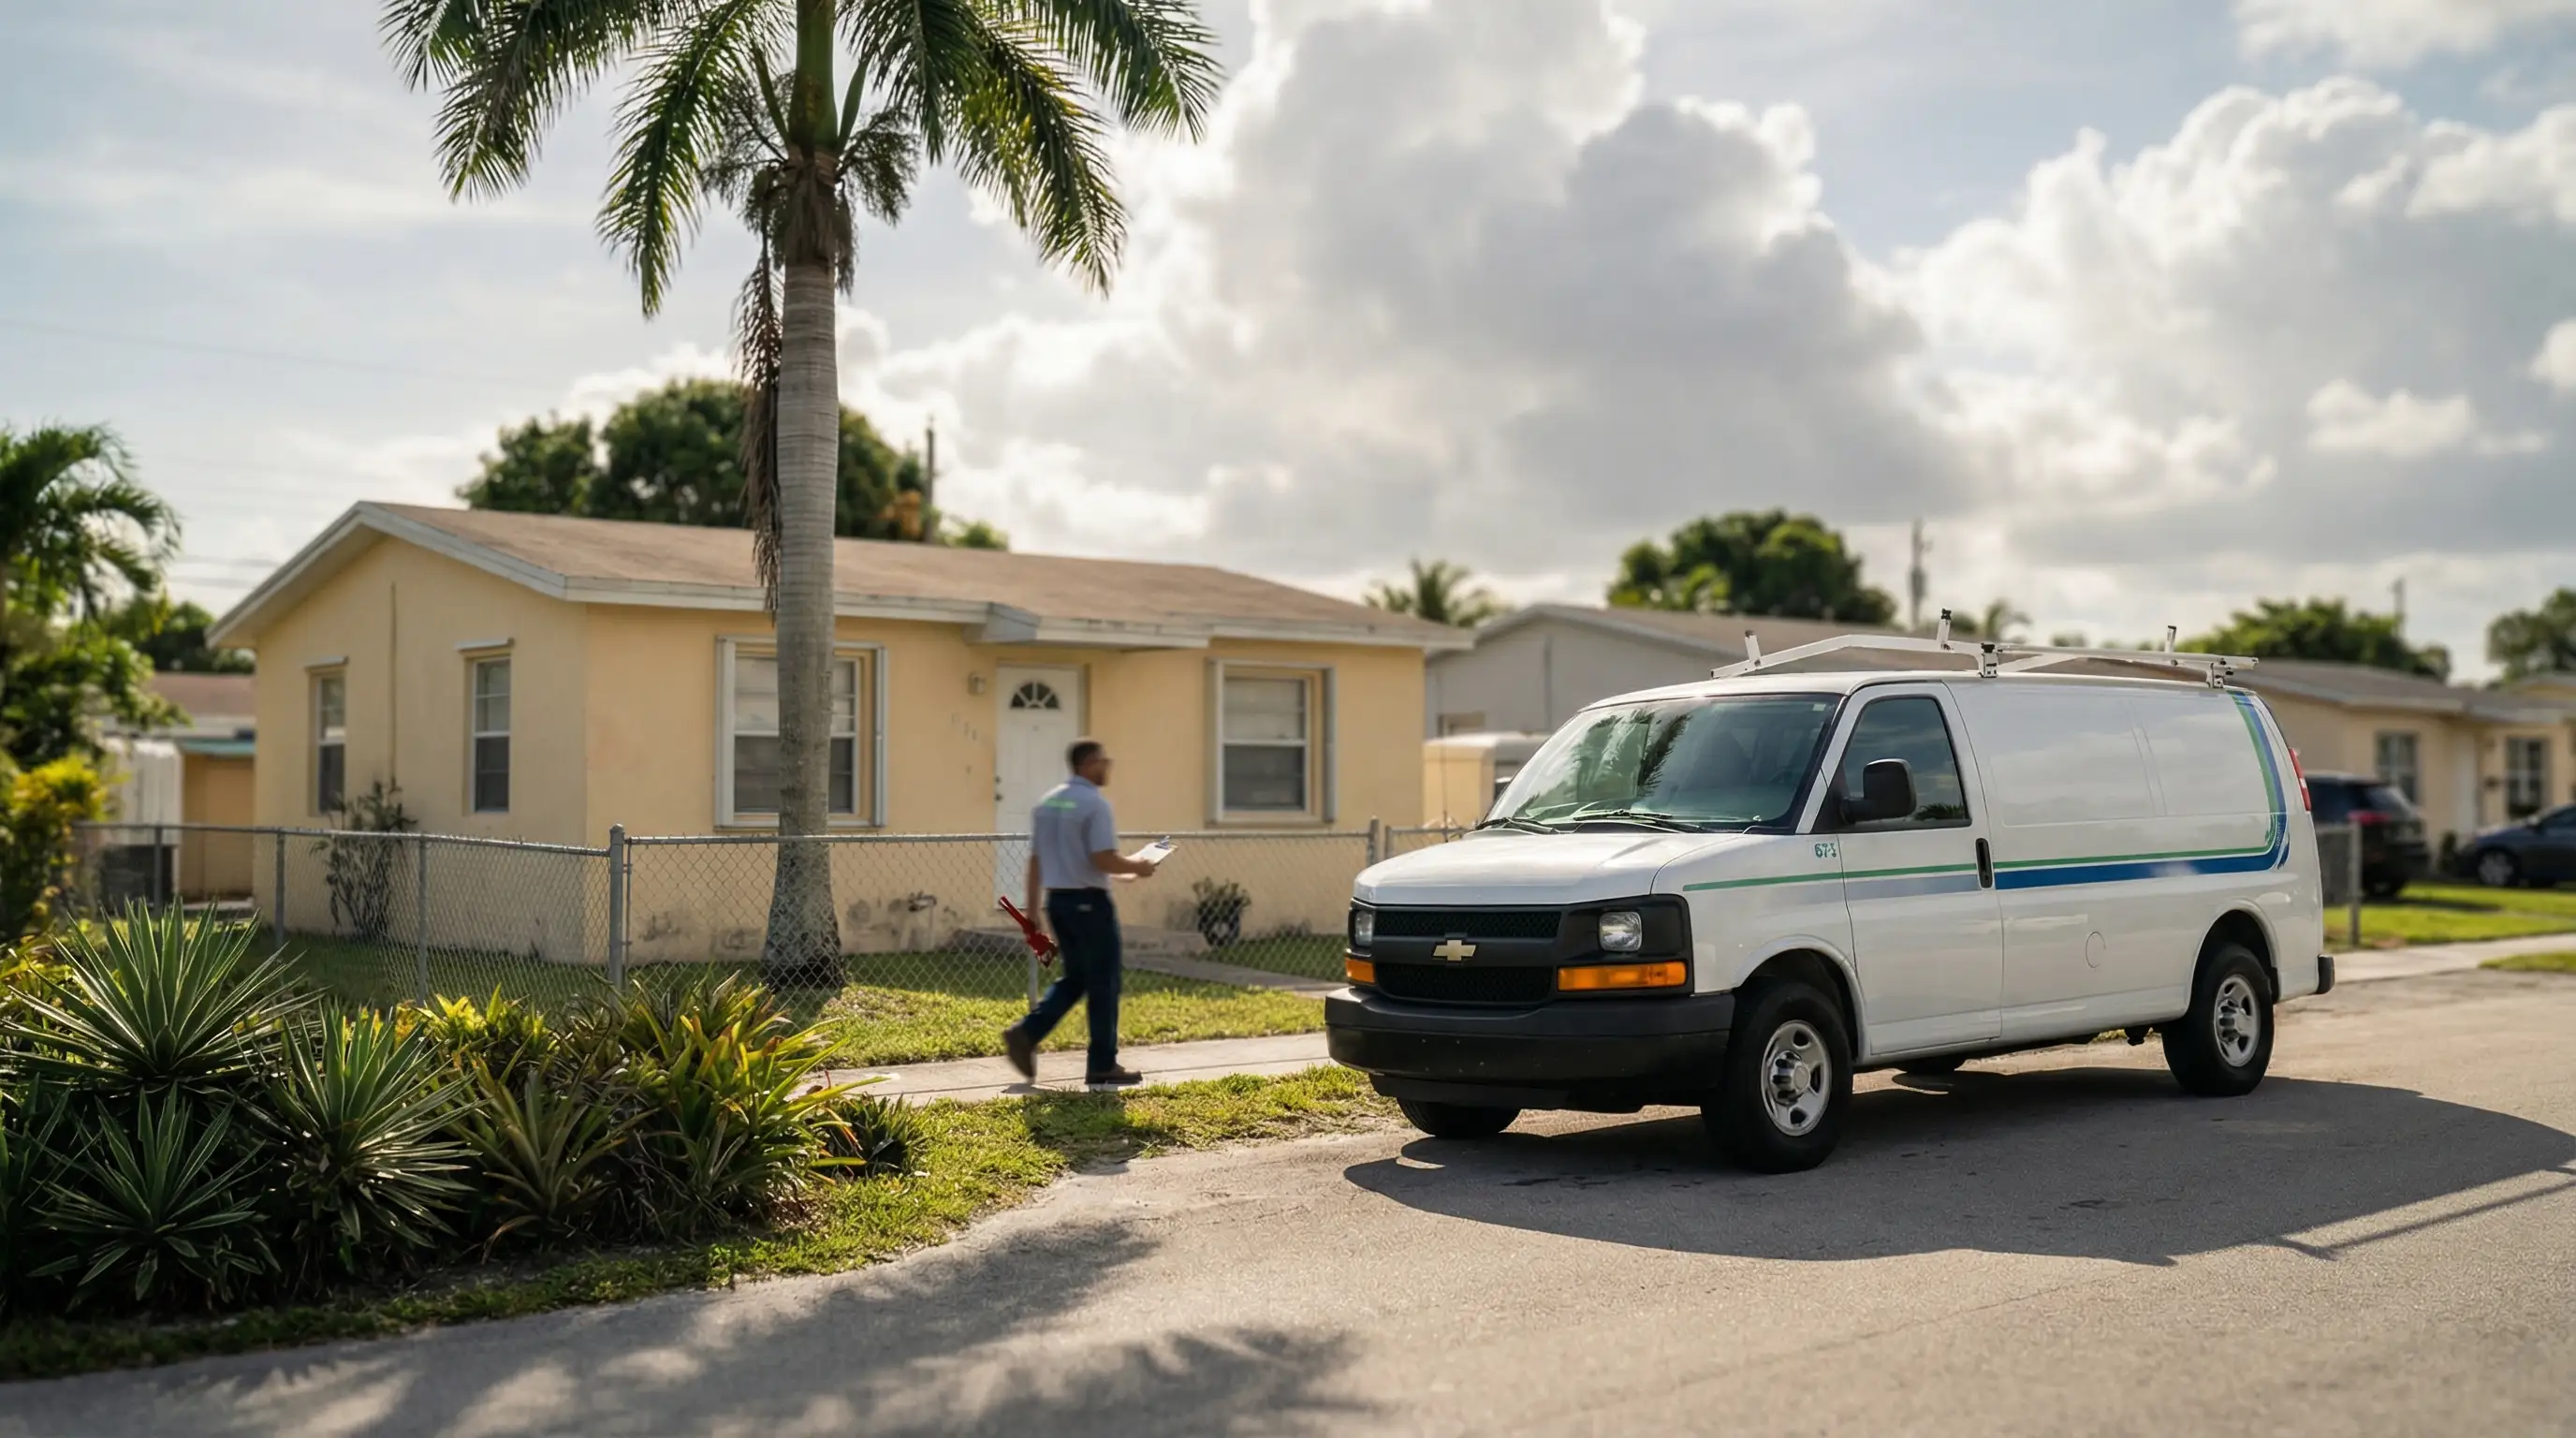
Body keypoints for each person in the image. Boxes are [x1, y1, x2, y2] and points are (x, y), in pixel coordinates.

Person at [1002, 738, 1159, 1086]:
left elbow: (1038, 860)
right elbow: (1100, 857)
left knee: (1076, 978)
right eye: (1105, 761)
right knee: (1105, 982)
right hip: (1091, 905)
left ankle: (1026, 1034)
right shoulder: (1094, 803)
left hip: (1059, 902)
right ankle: (1102, 1064)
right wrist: (1141, 864)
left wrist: (1032, 909)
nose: (1108, 768)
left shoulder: (1048, 803)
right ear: (1088, 763)